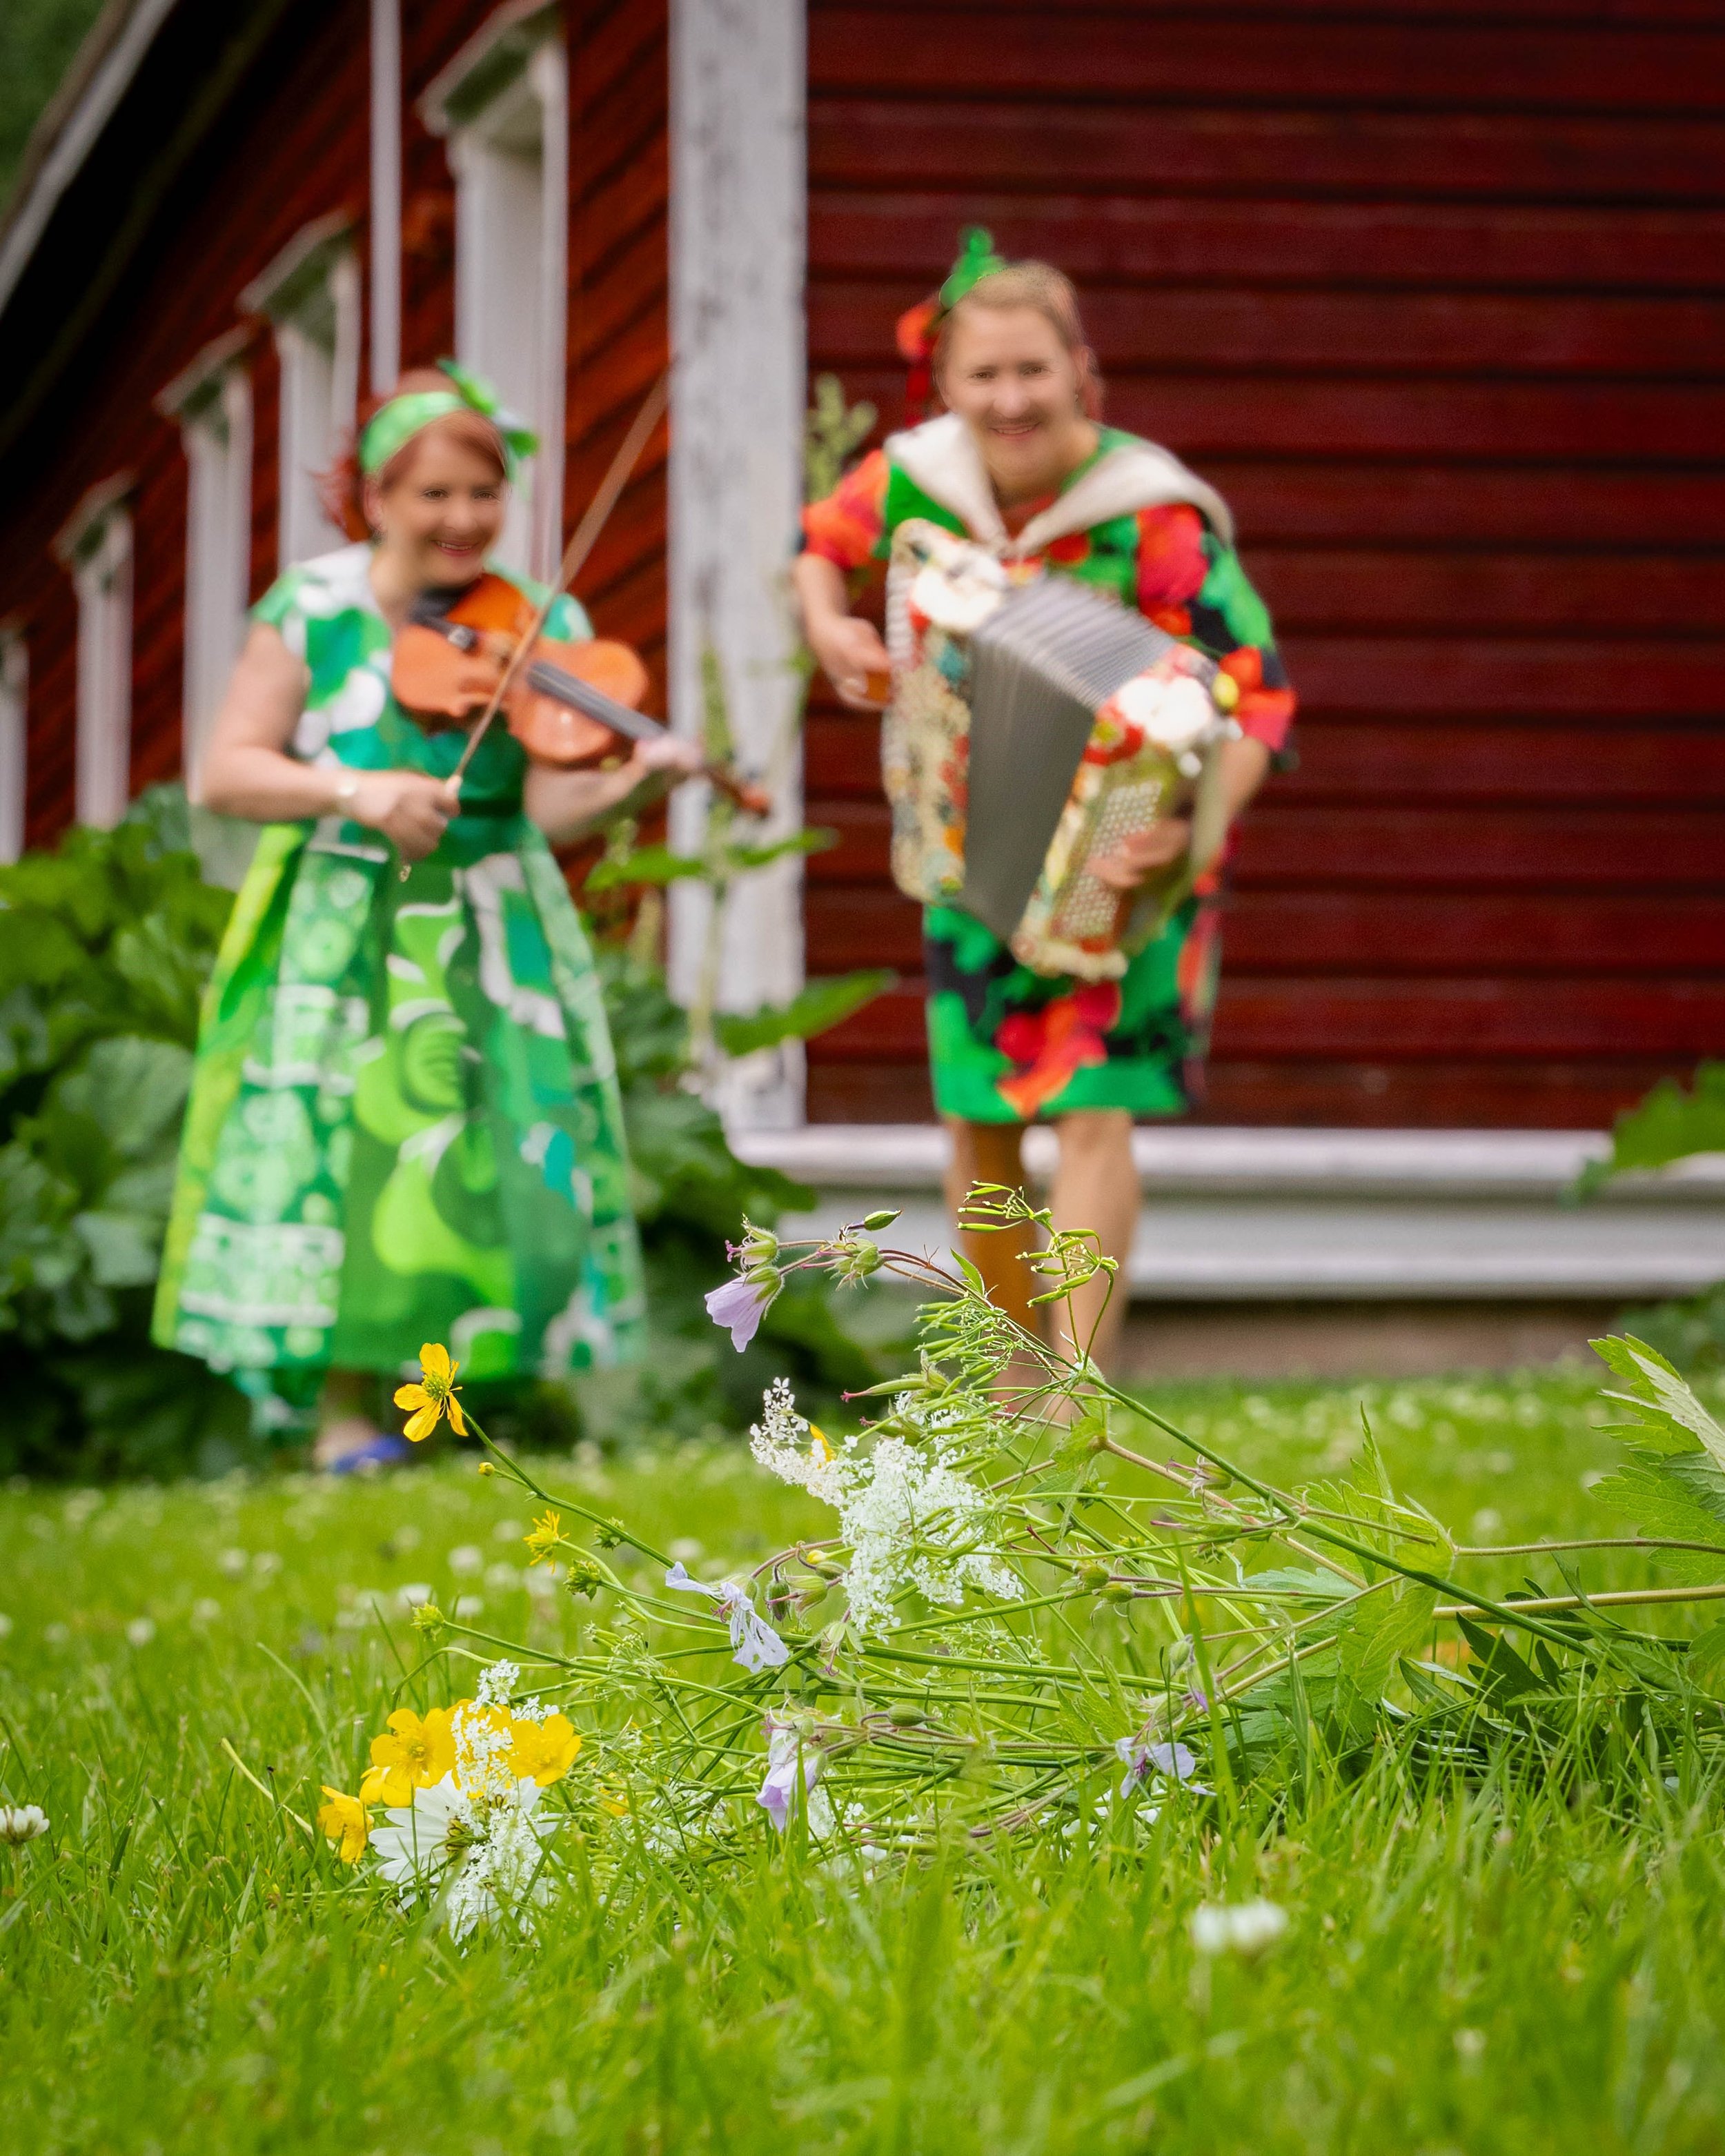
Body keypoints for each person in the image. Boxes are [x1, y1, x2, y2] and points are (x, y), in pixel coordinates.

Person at [153, 363, 700, 1467]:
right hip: (345, 908)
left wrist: (642, 780)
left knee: (493, 1145)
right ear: (375, 496)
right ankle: (344, 1413)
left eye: (483, 495)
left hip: (491, 914)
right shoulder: (311, 607)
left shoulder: (539, 622)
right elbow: (225, 772)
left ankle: (460, 1396)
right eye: (433, 495)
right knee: (347, 1146)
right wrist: (356, 789)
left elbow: (550, 800)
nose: (462, 520)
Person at [792, 235, 1295, 1371]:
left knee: (1091, 1109)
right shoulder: (918, 479)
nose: (1011, 400)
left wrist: (1183, 830)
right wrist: (831, 628)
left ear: (1080, 370)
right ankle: (1013, 1378)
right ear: (946, 382)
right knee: (980, 1115)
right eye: (985, 375)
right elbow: (817, 548)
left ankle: (1079, 1394)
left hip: (1130, 860)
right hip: (972, 844)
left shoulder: (1152, 516)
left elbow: (1257, 698)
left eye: (1034, 371)